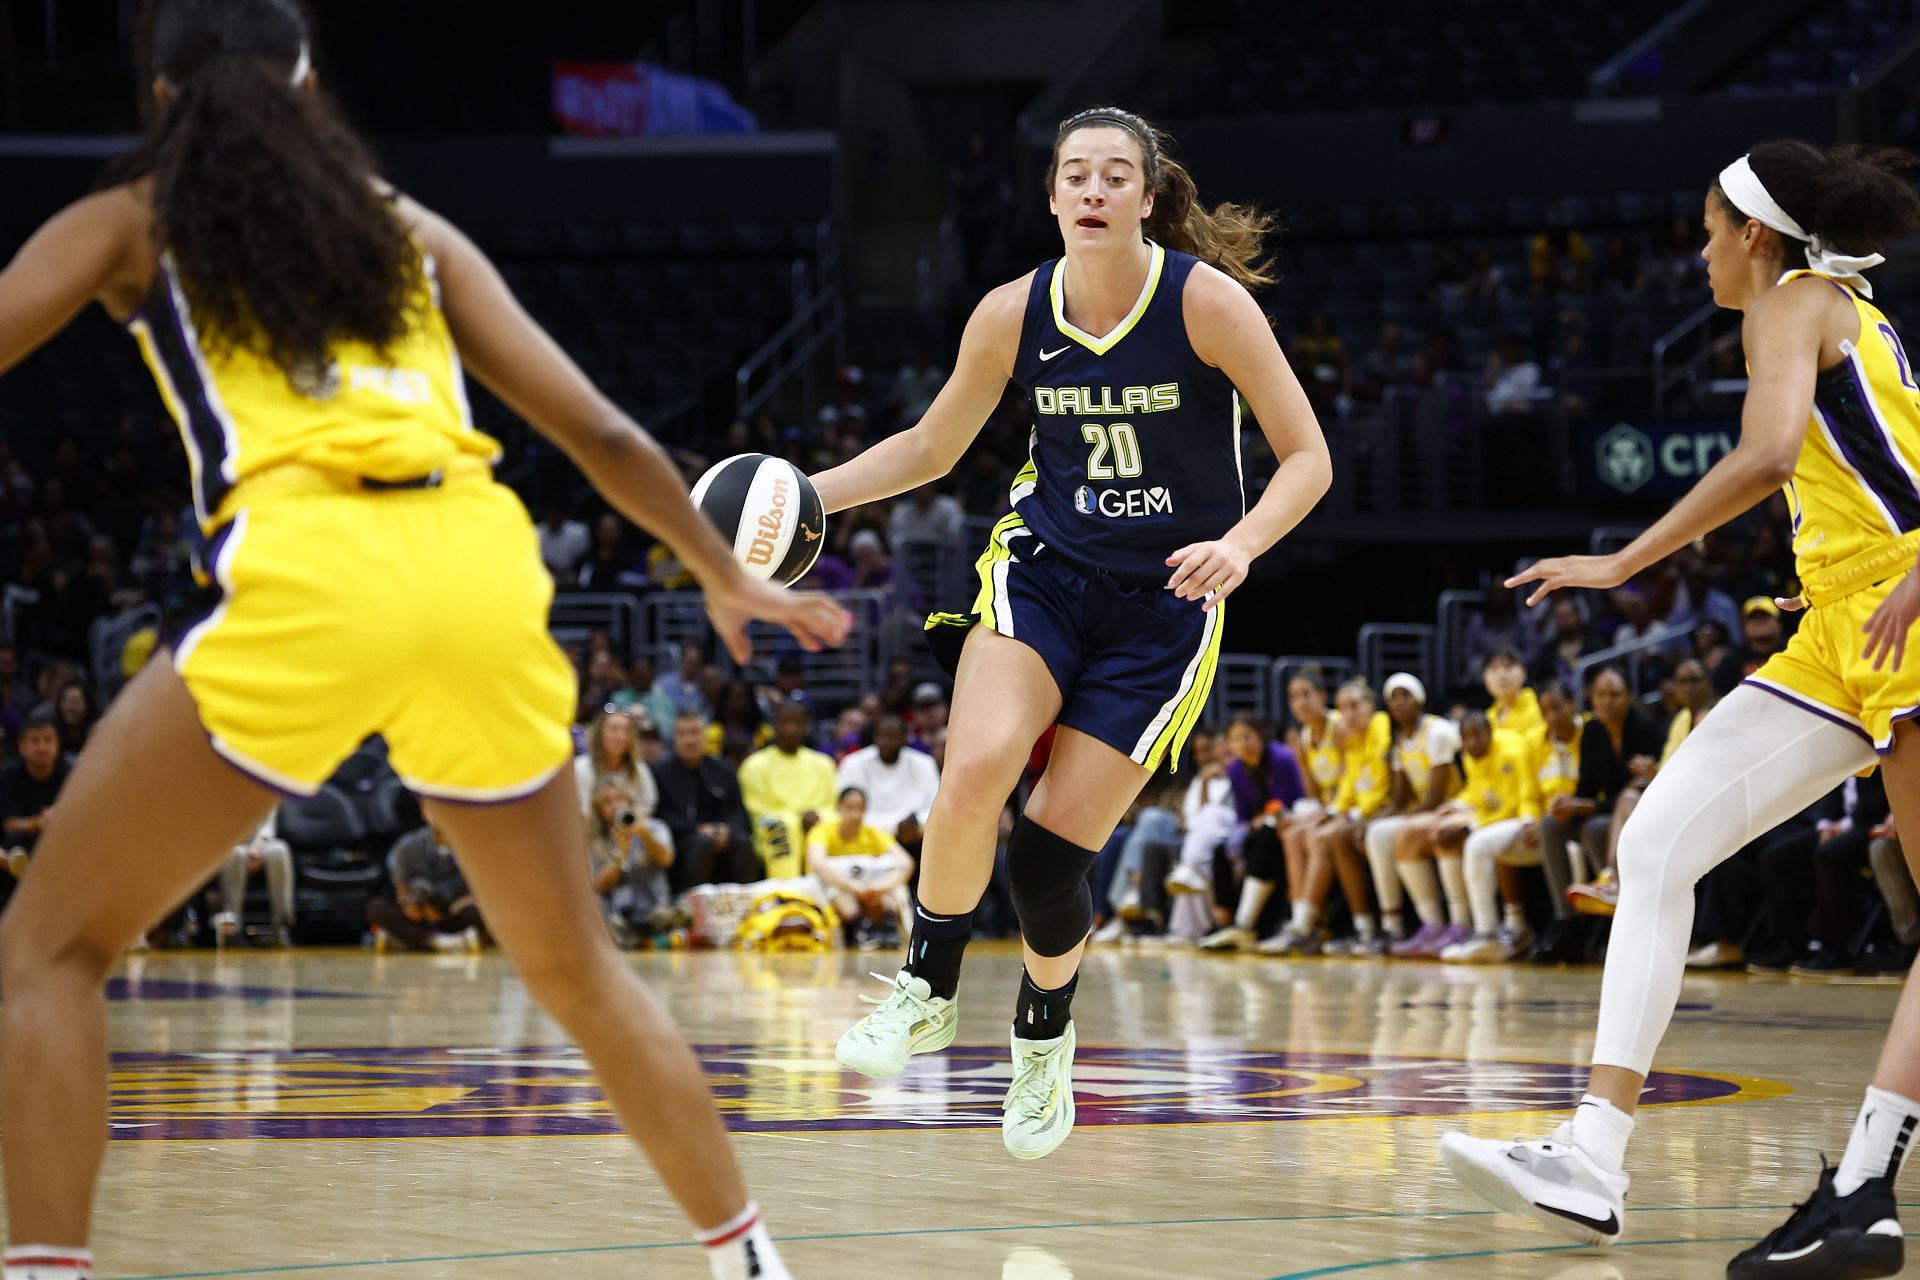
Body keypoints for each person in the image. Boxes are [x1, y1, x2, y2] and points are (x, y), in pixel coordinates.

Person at [0, 6, 850, 1277]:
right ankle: (749, 1258)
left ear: (165, 97)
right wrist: (722, 572)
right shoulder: (409, 228)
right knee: (575, 966)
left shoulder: (131, 218)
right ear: (303, 82)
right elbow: (608, 436)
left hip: (309, 567)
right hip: (476, 565)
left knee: (49, 949)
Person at [1440, 139, 1920, 1278]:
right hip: (1838, 628)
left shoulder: (1796, 299)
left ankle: (1864, 1183)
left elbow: (1761, 454)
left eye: (1709, 229)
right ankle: (1593, 1155)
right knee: (1654, 840)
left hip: (1900, 606)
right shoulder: (1844, 308)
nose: (1700, 250)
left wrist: (1619, 563)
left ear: (1755, 234)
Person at [817, 104, 1329, 1161]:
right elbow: (929, 445)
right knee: (974, 769)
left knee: (1046, 865)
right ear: (1051, 196)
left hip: (1168, 605)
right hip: (1044, 570)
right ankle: (925, 985)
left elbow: (1307, 456)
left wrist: (1241, 543)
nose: (1092, 192)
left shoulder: (1207, 304)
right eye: (1074, 176)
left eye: (1113, 176)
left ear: (1147, 195)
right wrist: (806, 496)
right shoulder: (1012, 311)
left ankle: (1042, 1037)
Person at [1528, 666, 1663, 962]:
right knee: (1551, 824)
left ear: (1628, 697)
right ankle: (1565, 922)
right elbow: (1587, 787)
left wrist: (1584, 806)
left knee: (1594, 828)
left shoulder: (1643, 727)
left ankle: (1610, 918)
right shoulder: (1592, 730)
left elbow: (1640, 792)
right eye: (1600, 694)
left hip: (1636, 816)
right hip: (1603, 811)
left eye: (1615, 694)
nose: (1607, 701)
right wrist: (1569, 803)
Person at [1446, 681, 1581, 964]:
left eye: (1557, 708)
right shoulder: (1536, 741)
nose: (1551, 716)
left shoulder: (1585, 735)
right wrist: (1532, 821)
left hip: (1574, 822)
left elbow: (1515, 799)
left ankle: (1575, 930)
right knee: (1479, 845)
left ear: (1573, 705)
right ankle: (1489, 934)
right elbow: (1529, 794)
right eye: (1546, 710)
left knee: (1478, 840)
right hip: (1538, 823)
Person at [1361, 674, 1463, 955]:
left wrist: (1403, 820)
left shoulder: (1438, 731)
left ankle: (1447, 924)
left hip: (1454, 805)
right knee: (1376, 833)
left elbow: (1436, 797)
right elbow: (1399, 799)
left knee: (1400, 832)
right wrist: (1370, 822)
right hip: (1425, 810)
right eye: (1393, 697)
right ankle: (1391, 926)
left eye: (1405, 695)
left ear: (1419, 699)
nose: (1400, 702)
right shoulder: (1399, 741)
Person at [1194, 713, 1309, 951]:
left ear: (1260, 736)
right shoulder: (1236, 769)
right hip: (1257, 829)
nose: (1242, 744)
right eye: (1235, 739)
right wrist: (1244, 829)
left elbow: (1288, 802)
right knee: (1220, 849)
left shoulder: (1281, 758)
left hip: (1290, 823)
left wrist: (1259, 821)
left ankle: (1243, 925)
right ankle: (1223, 922)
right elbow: (1242, 815)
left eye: (1247, 737)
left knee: (1265, 839)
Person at [1434, 713, 1539, 962]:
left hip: (1526, 819)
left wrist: (1470, 825)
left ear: (1490, 733)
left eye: (1477, 735)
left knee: (1477, 844)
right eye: (1465, 737)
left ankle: (1486, 934)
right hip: (1499, 820)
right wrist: (1458, 805)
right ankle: (1460, 924)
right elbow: (1481, 794)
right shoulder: (1471, 758)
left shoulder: (1511, 753)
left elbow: (1519, 801)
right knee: (1444, 828)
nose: (1471, 743)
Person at [1315, 680, 1396, 955]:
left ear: (1370, 705)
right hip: (1366, 812)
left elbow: (1381, 786)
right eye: (1342, 708)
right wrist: (1336, 811)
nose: (1348, 714)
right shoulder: (1353, 737)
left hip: (1387, 809)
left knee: (1335, 837)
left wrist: (1352, 815)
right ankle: (1356, 928)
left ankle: (1366, 928)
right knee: (1320, 833)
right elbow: (1350, 782)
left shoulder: (1381, 727)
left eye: (1354, 706)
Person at [653, 712, 759, 892]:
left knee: (742, 841)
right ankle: (695, 908)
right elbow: (661, 816)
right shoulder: (660, 772)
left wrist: (726, 829)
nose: (689, 740)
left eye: (694, 733)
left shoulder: (723, 768)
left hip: (722, 836)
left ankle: (750, 902)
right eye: (683, 734)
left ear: (704, 736)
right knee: (703, 844)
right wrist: (697, 829)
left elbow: (739, 812)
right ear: (674, 739)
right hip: (683, 842)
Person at [736, 701, 838, 879]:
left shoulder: (823, 764)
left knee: (831, 823)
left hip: (816, 824)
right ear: (774, 725)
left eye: (797, 723)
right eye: (785, 723)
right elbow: (758, 812)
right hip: (778, 828)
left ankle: (826, 890)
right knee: (782, 825)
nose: (791, 729)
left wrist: (816, 817)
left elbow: (833, 807)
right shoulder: (755, 765)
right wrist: (798, 820)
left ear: (806, 726)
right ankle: (787, 890)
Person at [807, 786, 916, 948]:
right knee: (836, 890)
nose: (854, 814)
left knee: (893, 888)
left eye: (859, 808)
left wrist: (883, 887)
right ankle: (858, 927)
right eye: (849, 808)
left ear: (866, 809)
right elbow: (817, 863)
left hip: (871, 889)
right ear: (839, 807)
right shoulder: (822, 831)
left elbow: (906, 863)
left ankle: (889, 926)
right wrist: (853, 887)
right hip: (841, 889)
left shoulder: (873, 833)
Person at [366, 820, 484, 953]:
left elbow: (488, 892)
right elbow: (402, 892)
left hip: (455, 912)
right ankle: (439, 941)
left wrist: (462, 903)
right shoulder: (407, 846)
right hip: (421, 915)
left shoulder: (478, 844)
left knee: (482, 912)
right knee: (376, 907)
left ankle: (408, 941)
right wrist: (410, 907)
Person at [835, 714, 941, 849]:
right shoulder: (853, 763)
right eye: (882, 736)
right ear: (874, 737)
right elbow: (843, 807)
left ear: (904, 738)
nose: (886, 742)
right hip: (865, 834)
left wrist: (917, 822)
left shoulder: (924, 763)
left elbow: (934, 806)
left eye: (892, 736)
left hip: (911, 834)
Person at [0, 712, 70, 904]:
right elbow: (10, 825)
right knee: (16, 841)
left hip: (62, 840)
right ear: (21, 746)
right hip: (19, 846)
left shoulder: (69, 773)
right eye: (35, 741)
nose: (42, 747)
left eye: (48, 740)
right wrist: (38, 823)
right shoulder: (9, 776)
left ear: (57, 745)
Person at [214, 807, 293, 947]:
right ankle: (232, 926)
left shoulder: (268, 789)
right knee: (235, 854)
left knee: (279, 850)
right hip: (234, 842)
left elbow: (268, 826)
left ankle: (282, 923)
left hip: (262, 843)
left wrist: (257, 848)